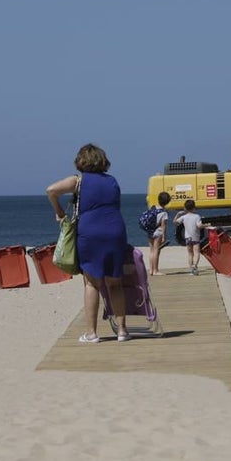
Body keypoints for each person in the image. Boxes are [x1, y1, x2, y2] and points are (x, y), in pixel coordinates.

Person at [47, 143, 129, 343]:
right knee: (115, 283)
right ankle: (122, 331)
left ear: (81, 161)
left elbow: (51, 190)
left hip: (91, 232)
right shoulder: (112, 182)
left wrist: (59, 212)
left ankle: (92, 333)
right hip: (116, 231)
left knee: (92, 283)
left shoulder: (78, 181)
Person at [174, 199, 205, 275]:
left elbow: (175, 222)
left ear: (185, 208)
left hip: (188, 238)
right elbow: (199, 226)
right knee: (197, 252)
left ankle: (191, 270)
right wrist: (205, 224)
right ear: (194, 207)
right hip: (195, 237)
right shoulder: (197, 216)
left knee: (190, 253)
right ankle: (195, 266)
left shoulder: (184, 217)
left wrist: (178, 214)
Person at [148, 191, 171, 276]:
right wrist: (164, 236)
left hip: (150, 231)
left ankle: (150, 270)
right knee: (156, 251)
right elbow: (163, 226)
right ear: (167, 202)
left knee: (151, 251)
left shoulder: (153, 208)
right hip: (158, 232)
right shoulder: (164, 213)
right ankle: (155, 270)